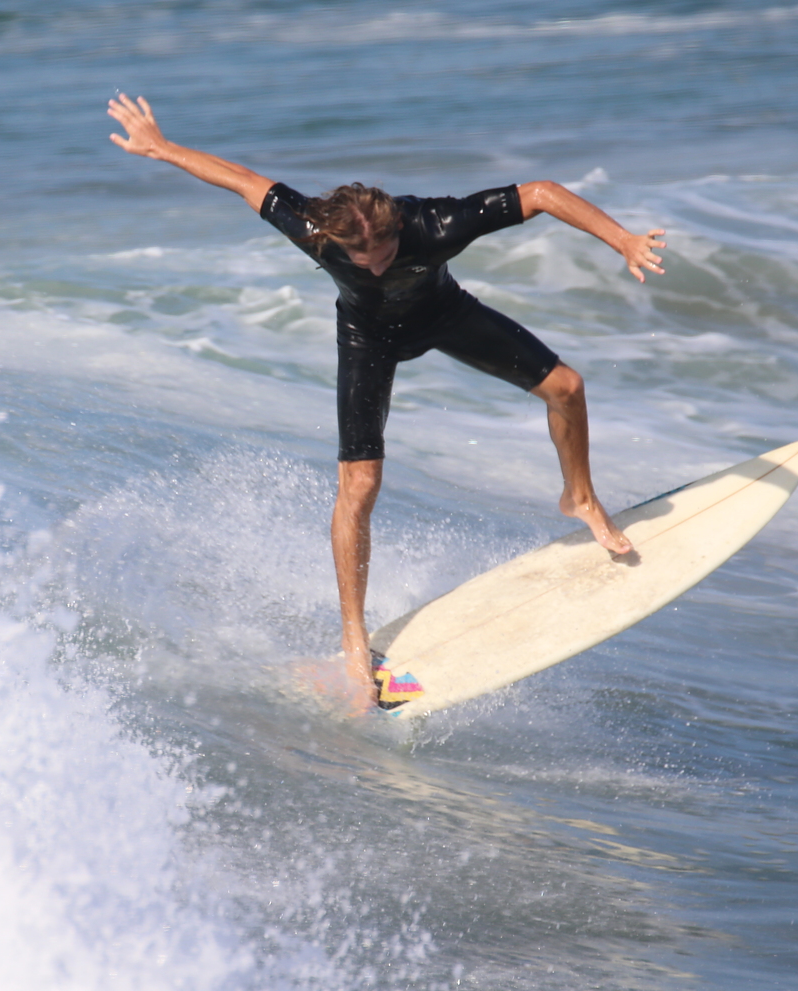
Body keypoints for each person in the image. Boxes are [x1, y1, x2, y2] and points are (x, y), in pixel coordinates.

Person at [107, 94, 665, 710]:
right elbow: (243, 180)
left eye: (382, 255)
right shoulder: (316, 230)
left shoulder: (435, 223)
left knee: (568, 387)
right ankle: (353, 636)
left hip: (445, 315)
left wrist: (623, 241)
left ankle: (579, 496)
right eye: (358, 259)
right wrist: (159, 147)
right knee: (360, 486)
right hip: (366, 339)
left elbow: (540, 193)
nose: (371, 268)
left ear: (399, 230)